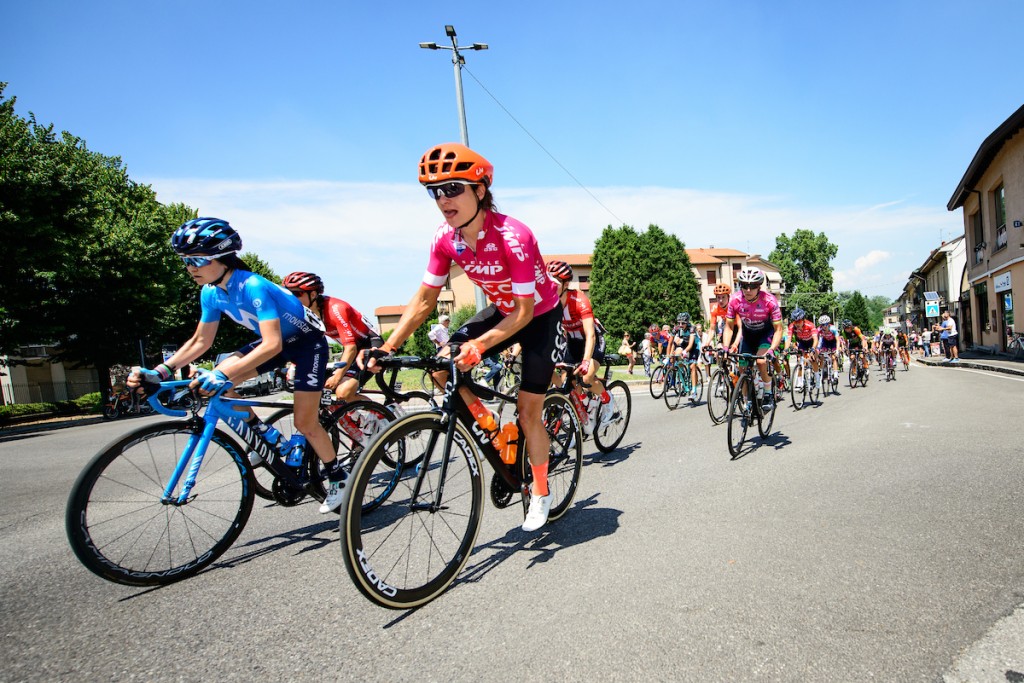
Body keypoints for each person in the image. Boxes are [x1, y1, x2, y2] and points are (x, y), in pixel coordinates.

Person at [361, 142, 562, 533]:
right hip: (503, 311)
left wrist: (480, 345)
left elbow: (523, 312)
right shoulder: (444, 238)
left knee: (527, 412)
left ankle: (540, 491)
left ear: (480, 190)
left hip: (538, 315)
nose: (442, 199)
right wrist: (386, 347)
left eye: (452, 188)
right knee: (440, 365)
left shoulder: (513, 236)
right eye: (434, 191)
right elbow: (423, 301)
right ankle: (489, 424)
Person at [127, 218, 348, 514]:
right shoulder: (210, 292)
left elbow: (271, 345)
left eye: (197, 260)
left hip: (307, 344)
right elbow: (199, 342)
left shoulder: (252, 285)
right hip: (278, 341)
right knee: (221, 387)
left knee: (304, 422)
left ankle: (338, 476)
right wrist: (160, 371)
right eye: (185, 261)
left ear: (222, 257)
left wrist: (221, 373)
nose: (190, 268)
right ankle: (267, 437)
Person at [282, 272, 384, 404]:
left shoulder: (336, 309)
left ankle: (385, 420)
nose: (291, 298)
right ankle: (353, 420)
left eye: (297, 293)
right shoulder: (305, 314)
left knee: (343, 392)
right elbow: (306, 343)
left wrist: (337, 376)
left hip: (369, 345)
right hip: (352, 350)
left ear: (313, 294)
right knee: (320, 390)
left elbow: (350, 347)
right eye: (288, 293)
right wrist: (293, 366)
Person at [547, 259, 617, 432]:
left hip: (592, 341)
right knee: (564, 381)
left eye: (554, 283)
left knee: (586, 378)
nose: (550, 286)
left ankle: (608, 402)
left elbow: (591, 334)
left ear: (565, 283)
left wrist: (586, 361)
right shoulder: (549, 302)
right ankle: (584, 404)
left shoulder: (579, 300)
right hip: (572, 342)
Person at [720, 267, 783, 407]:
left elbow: (778, 329)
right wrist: (725, 347)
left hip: (765, 335)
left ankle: (768, 393)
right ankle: (748, 399)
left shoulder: (770, 300)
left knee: (761, 362)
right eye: (744, 286)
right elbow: (729, 327)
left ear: (759, 286)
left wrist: (772, 350)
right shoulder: (735, 300)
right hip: (748, 335)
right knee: (741, 367)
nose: (748, 290)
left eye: (752, 286)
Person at [667, 312, 701, 398]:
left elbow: (690, 344)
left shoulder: (692, 328)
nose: (680, 325)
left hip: (694, 345)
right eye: (679, 323)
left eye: (683, 323)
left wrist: (685, 352)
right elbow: (671, 343)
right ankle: (682, 373)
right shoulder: (676, 328)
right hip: (684, 344)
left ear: (687, 322)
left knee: (692, 366)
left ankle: (694, 390)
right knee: (677, 354)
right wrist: (669, 355)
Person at [784, 307, 820, 390]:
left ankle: (817, 378)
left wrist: (813, 349)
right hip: (802, 342)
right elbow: (788, 339)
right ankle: (800, 382)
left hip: (812, 342)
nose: (797, 324)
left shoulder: (810, 325)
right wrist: (785, 350)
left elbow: (815, 339)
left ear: (803, 320)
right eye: (795, 321)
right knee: (800, 361)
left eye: (799, 321)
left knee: (812, 359)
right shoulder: (792, 326)